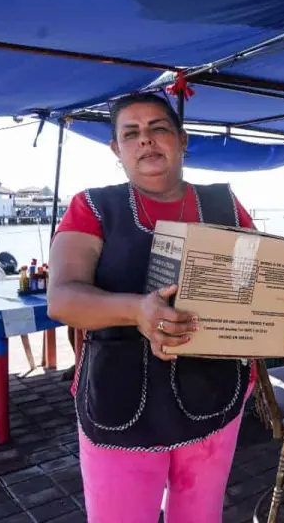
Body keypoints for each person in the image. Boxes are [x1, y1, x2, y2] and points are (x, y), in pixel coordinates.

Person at [48, 93, 257, 522]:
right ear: (116, 149)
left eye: (158, 128)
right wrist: (138, 311)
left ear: (182, 140)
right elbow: (63, 297)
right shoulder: (92, 207)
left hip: (214, 393)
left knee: (201, 514)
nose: (146, 140)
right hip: (119, 398)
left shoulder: (223, 205)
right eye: (131, 133)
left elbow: (254, 281)